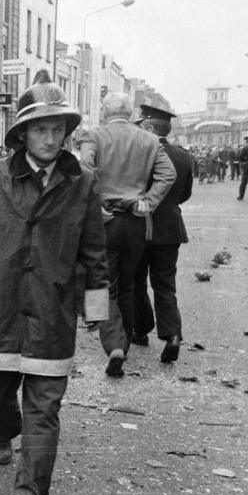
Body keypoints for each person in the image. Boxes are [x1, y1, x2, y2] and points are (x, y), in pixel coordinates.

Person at [0, 70, 109, 495]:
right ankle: (2, 431)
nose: (50, 137)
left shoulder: (82, 183)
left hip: (51, 312)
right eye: (41, 128)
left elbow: (94, 250)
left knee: (45, 407)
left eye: (58, 128)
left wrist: (94, 308)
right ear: (21, 135)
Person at [77, 92, 176, 377]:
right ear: (131, 113)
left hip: (104, 219)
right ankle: (127, 342)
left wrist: (95, 204)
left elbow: (84, 170)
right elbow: (167, 175)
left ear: (105, 112)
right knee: (130, 285)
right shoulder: (149, 139)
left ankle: (115, 345)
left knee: (102, 285)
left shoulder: (94, 136)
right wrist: (149, 202)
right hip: (136, 221)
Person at [131, 105, 193, 363]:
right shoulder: (182, 155)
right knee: (165, 284)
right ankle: (172, 334)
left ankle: (141, 329)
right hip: (171, 227)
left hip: (141, 224)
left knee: (136, 279)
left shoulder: (140, 153)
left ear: (149, 127)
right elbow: (186, 193)